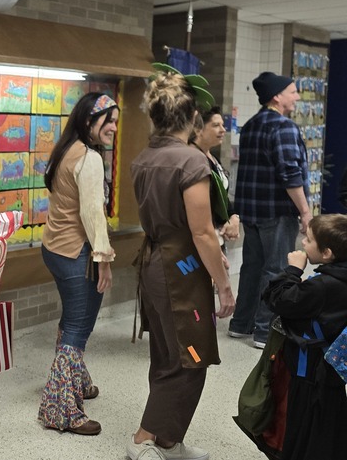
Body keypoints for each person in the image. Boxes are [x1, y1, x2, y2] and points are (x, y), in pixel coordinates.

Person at [127, 72, 236, 460]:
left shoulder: (144, 159)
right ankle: (144, 439)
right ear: (192, 117)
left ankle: (169, 439)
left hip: (156, 260)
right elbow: (203, 232)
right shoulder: (190, 160)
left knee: (168, 354)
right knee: (189, 358)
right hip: (181, 268)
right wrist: (224, 284)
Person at [36, 92, 118, 436]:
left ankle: (77, 382)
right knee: (78, 329)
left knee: (71, 317)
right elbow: (91, 214)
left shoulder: (65, 148)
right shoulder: (90, 158)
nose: (113, 127)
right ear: (88, 121)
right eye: (107, 120)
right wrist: (103, 259)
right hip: (77, 254)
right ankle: (61, 410)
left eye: (116, 121)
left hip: (53, 248)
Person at [229, 72, 309, 350]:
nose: (297, 97)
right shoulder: (284, 127)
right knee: (276, 270)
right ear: (277, 96)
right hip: (277, 212)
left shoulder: (251, 125)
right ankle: (264, 331)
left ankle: (241, 324)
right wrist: (306, 211)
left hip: (251, 212)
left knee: (251, 268)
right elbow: (290, 173)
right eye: (293, 92)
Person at [259, 214, 347, 460]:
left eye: (308, 240)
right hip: (334, 370)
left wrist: (293, 271)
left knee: (303, 424)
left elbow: (276, 299)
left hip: (308, 371)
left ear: (327, 253)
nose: (302, 243)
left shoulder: (321, 287)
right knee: (330, 423)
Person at [190, 107, 240, 247]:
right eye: (216, 125)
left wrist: (233, 217)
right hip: (202, 237)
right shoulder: (193, 159)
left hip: (217, 235)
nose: (223, 130)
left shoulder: (213, 157)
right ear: (198, 129)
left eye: (223, 125)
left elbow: (222, 196)